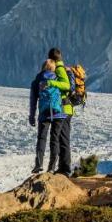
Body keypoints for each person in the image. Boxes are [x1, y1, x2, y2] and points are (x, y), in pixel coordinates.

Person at [29, 58, 71, 174]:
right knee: (55, 139)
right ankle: (52, 167)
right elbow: (67, 89)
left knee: (41, 138)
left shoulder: (37, 81)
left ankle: (38, 164)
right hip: (58, 113)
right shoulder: (58, 79)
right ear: (53, 68)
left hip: (44, 113)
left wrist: (31, 116)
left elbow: (33, 101)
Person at [44, 47, 74, 175]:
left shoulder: (60, 69)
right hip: (64, 108)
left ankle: (65, 169)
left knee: (63, 139)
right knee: (62, 139)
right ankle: (63, 168)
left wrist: (51, 83)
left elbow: (66, 85)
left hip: (65, 108)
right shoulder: (61, 68)